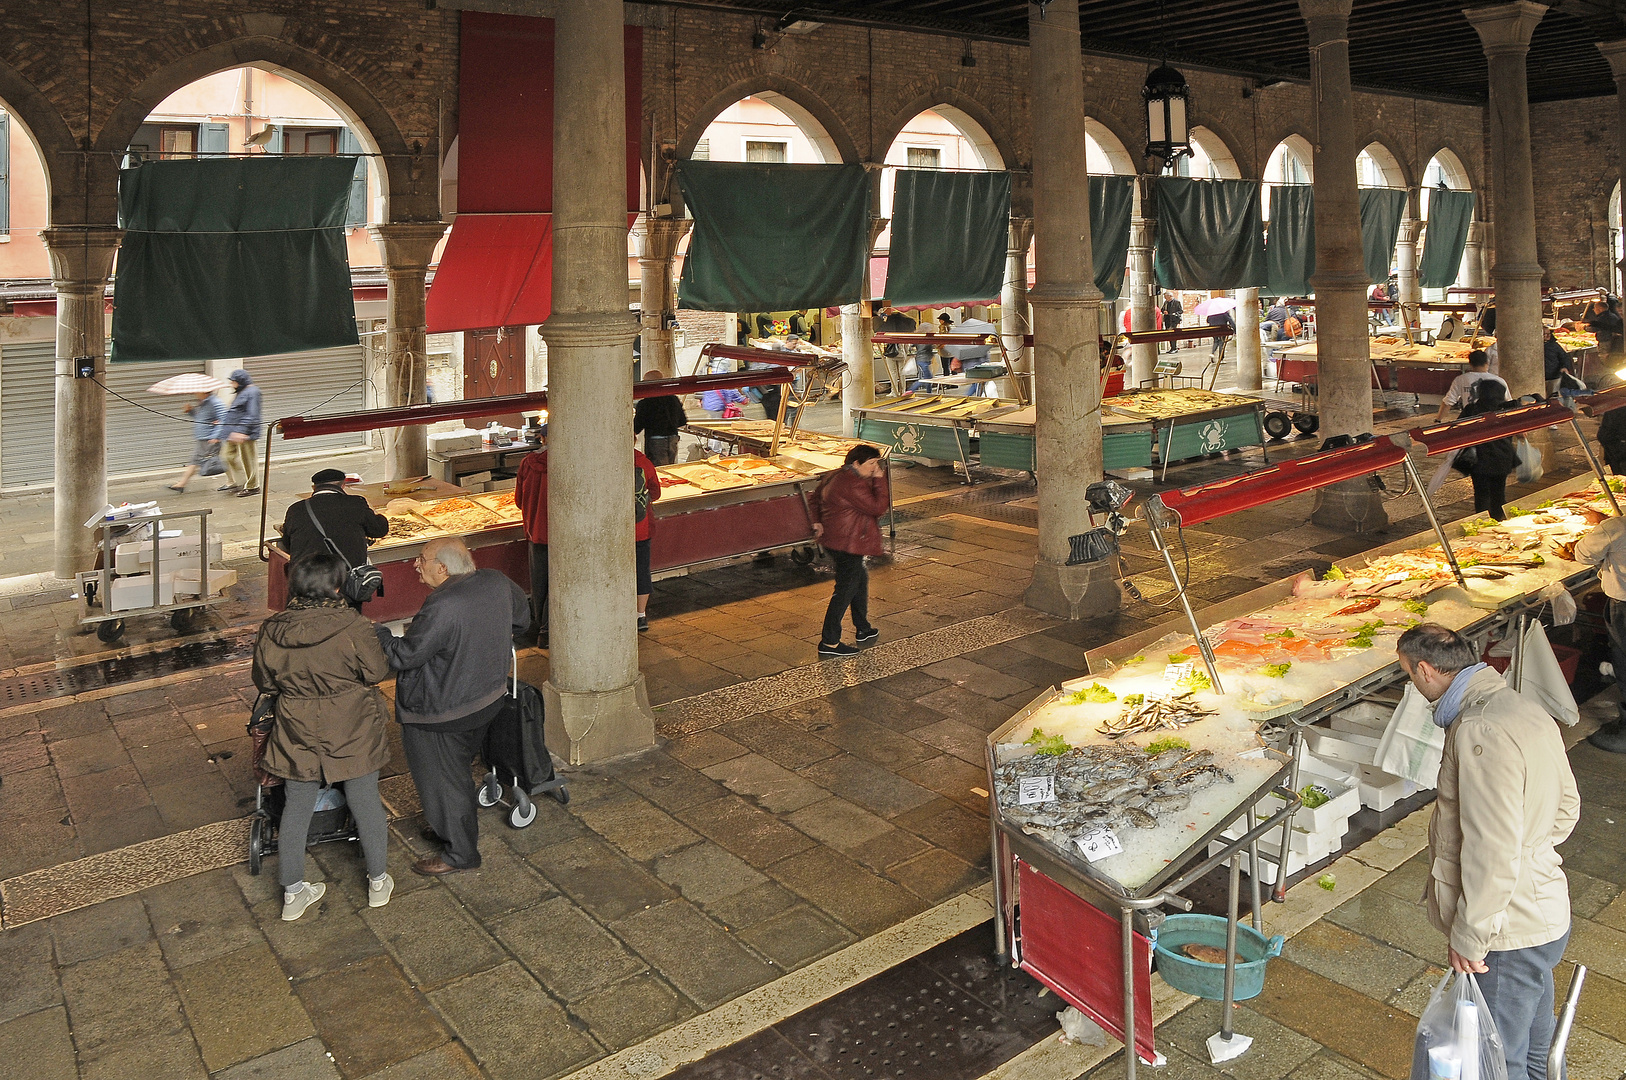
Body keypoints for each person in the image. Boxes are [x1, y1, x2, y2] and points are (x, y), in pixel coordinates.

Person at [1397, 623, 1579, 1080]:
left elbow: (1491, 848)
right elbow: (1568, 809)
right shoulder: (1519, 706)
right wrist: (1533, 853)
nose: (1411, 685)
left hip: (1508, 932)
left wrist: (1470, 936)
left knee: (1497, 1065)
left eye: (1407, 675)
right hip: (1543, 913)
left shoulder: (1478, 729)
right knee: (1533, 1055)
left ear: (1424, 671)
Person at [253, 552, 395, 921]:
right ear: (336, 586)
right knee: (364, 798)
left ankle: (293, 894)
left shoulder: (272, 629)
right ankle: (378, 882)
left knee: (296, 806)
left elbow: (265, 682)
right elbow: (377, 671)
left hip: (295, 724)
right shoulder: (353, 625)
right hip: (353, 724)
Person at [376, 537, 530, 875]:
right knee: (455, 769)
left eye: (422, 559)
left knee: (446, 780)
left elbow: (406, 655)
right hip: (488, 696)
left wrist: (381, 634)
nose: (416, 565)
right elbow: (521, 621)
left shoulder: (443, 604)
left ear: (443, 568)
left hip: (443, 710)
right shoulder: (495, 580)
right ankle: (445, 822)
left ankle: (460, 853)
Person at [809, 444, 888, 657]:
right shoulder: (853, 484)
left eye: (877, 464)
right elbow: (878, 507)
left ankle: (863, 628)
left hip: (837, 539)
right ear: (856, 463)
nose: (875, 468)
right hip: (848, 543)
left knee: (859, 581)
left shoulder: (836, 475)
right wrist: (880, 480)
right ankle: (830, 642)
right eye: (871, 464)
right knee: (845, 590)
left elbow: (814, 498)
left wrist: (817, 521)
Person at [1571, 503, 1626, 753]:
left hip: (1624, 605)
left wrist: (1602, 526)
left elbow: (1583, 554)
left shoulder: (1615, 527)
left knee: (1624, 660)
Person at [279, 468, 389, 569]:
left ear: (314, 487)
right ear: (343, 486)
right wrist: (374, 511)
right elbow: (379, 530)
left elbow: (287, 544)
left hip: (305, 576)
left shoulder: (296, 509)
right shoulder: (356, 503)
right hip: (343, 574)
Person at [1456, 381, 1520, 520]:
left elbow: (1458, 428)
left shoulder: (1472, 409)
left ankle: (1483, 523)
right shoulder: (1506, 409)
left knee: (1481, 494)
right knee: (1499, 493)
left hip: (1480, 460)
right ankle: (1499, 521)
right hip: (1503, 458)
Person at [515, 445, 550, 646]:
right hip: (560, 534)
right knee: (557, 583)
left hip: (535, 531)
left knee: (539, 581)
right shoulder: (568, 461)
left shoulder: (527, 463)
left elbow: (519, 501)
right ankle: (547, 630)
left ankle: (539, 624)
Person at [213, 368, 263, 497]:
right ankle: (239, 481)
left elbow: (252, 414)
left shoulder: (253, 392)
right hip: (233, 432)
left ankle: (253, 486)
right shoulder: (241, 392)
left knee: (248, 460)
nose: (231, 384)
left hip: (245, 433)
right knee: (227, 456)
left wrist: (242, 431)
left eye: (233, 382)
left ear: (240, 381)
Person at [168, 389, 225, 493]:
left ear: (204, 392)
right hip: (203, 438)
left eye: (197, 392)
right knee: (194, 461)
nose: (195, 394)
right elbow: (201, 418)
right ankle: (181, 484)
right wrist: (190, 411)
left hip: (209, 438)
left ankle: (235, 480)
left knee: (208, 461)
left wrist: (216, 436)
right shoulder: (203, 403)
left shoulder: (215, 402)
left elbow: (224, 419)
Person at [634, 443, 663, 631]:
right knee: (642, 571)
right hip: (640, 528)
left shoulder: (604, 462)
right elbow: (656, 493)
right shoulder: (643, 463)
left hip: (613, 531)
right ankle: (640, 616)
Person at [1435, 350, 1508, 423]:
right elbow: (1509, 403)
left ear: (1470, 364)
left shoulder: (1461, 379)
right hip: (1494, 422)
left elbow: (1448, 402)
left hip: (1470, 421)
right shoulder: (1500, 381)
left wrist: (1438, 420)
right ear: (1487, 363)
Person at [634, 370, 687, 465]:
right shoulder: (673, 399)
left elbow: (637, 426)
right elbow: (682, 421)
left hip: (655, 441)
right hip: (673, 438)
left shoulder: (645, 403)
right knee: (669, 467)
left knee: (658, 470)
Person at [1542, 326, 1578, 399]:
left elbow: (1564, 357)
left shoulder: (1554, 345)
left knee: (1553, 397)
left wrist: (1564, 367)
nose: (1548, 336)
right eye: (1545, 334)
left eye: (1549, 333)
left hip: (1554, 377)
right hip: (1541, 378)